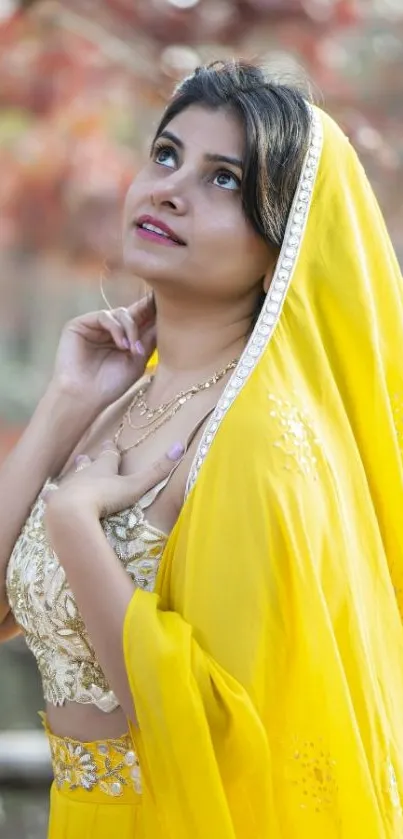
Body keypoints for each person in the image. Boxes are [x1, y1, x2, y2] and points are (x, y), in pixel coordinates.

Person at [1, 59, 403, 839]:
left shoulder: (260, 438)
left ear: (280, 239)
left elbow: (214, 742)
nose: (169, 189)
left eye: (223, 180)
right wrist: (63, 406)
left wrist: (79, 528)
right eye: (165, 155)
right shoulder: (123, 401)